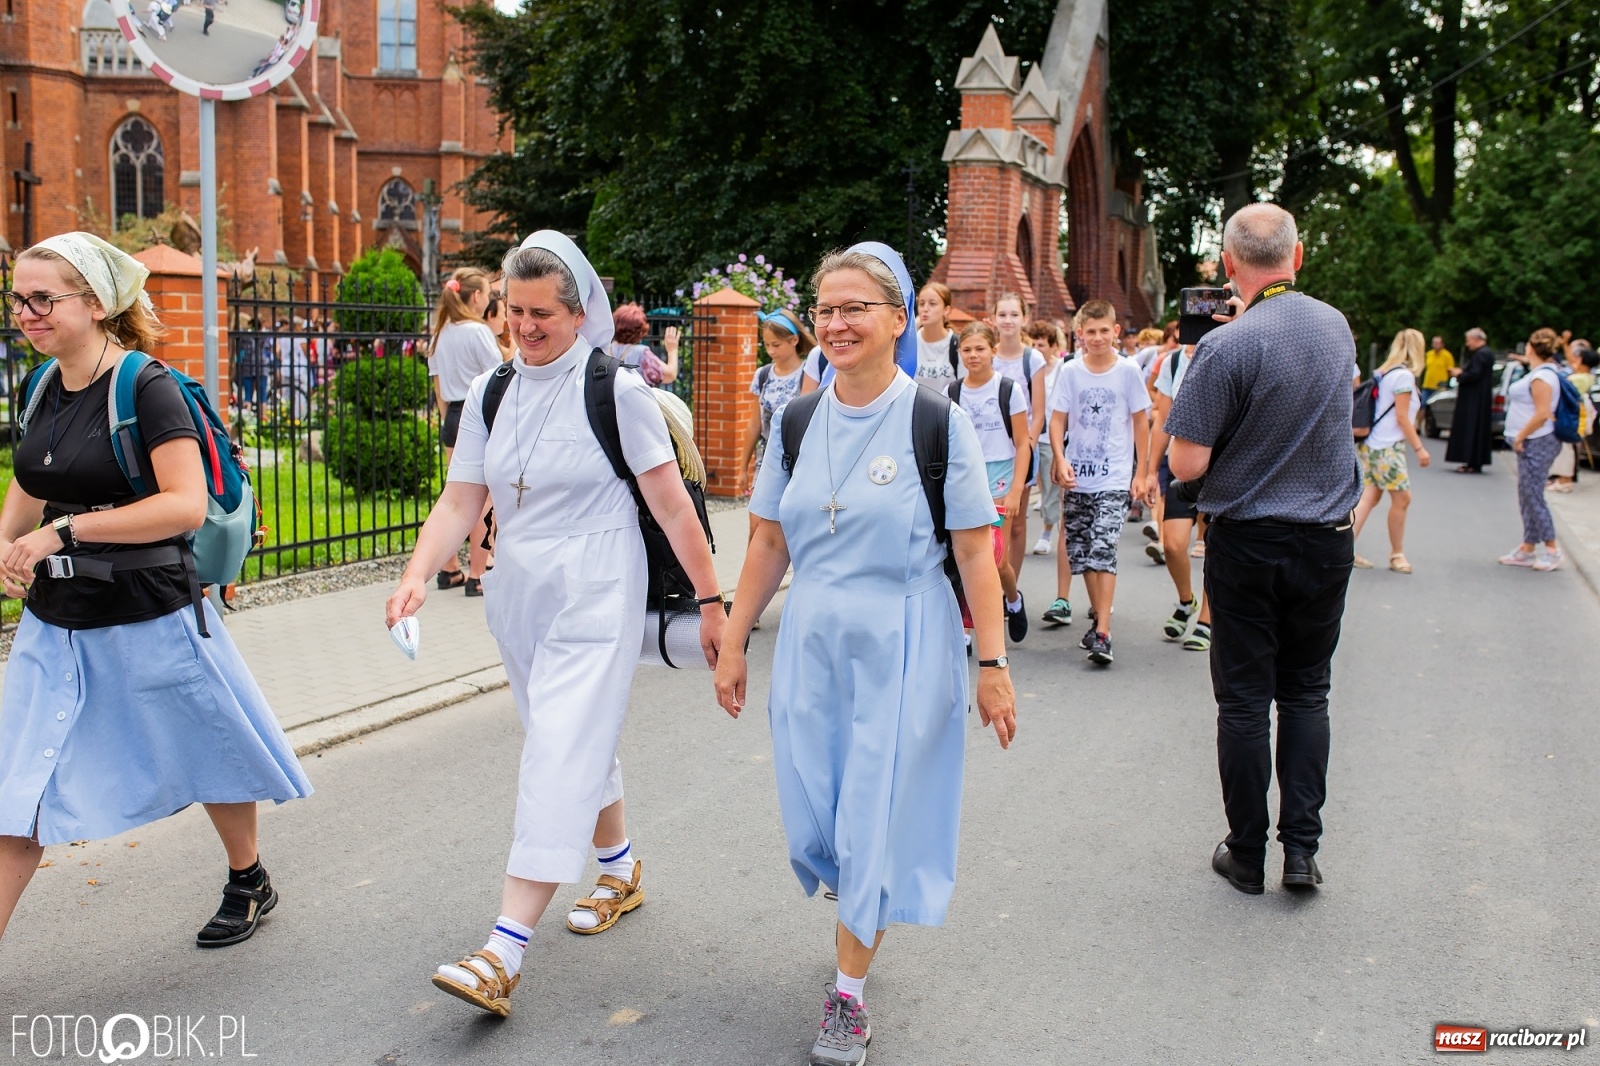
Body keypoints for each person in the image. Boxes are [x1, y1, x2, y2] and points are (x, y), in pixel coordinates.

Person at [386, 231, 725, 1017]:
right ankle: (620, 867)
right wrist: (415, 574)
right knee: (564, 734)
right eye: (515, 310)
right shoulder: (491, 392)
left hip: (599, 590)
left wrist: (712, 604)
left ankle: (502, 950)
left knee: (557, 749)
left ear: (578, 314)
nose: (526, 326)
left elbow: (673, 506)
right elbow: (461, 499)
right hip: (518, 595)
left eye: (543, 313)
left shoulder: (618, 391)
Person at [714, 242, 1015, 1066]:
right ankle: (860, 892)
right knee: (817, 812)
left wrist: (992, 666)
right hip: (812, 640)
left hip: (903, 639)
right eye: (826, 309)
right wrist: (734, 642)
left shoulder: (936, 422)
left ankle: (847, 994)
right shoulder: (797, 419)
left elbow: (976, 552)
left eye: (856, 308)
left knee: (872, 816)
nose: (837, 323)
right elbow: (768, 540)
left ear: (898, 319)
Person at [0, 232, 311, 947]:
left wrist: (62, 533)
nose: (26, 313)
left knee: (210, 746)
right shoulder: (41, 385)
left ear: (96, 304)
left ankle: (248, 876)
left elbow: (185, 506)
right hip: (57, 621)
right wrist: (9, 543)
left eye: (43, 299)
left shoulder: (146, 387)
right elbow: (32, 476)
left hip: (150, 612)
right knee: (19, 789)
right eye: (18, 298)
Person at [1166, 203, 1361, 895]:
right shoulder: (1336, 326)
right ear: (1296, 256)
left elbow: (1186, 462)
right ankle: (1302, 850)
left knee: (1245, 701)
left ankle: (1247, 853)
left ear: (1228, 265)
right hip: (1327, 536)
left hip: (1249, 538)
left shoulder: (1226, 347)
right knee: (1307, 692)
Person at [1045, 299, 1152, 665]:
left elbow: (1141, 422)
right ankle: (1098, 619)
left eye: (1104, 330)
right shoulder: (1071, 371)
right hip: (1078, 477)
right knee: (1082, 555)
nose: (1097, 338)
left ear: (1115, 331)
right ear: (1080, 334)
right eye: (1090, 332)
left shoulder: (1128, 371)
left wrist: (1141, 472)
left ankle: (1103, 632)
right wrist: (1060, 457)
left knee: (1102, 550)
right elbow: (1057, 420)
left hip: (1115, 476)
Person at [952, 321, 1032, 643]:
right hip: (965, 477)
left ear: (993, 351)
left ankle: (1013, 599)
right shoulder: (952, 392)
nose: (973, 355)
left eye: (979, 349)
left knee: (997, 561)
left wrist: (1016, 491)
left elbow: (1023, 443)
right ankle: (966, 630)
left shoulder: (1008, 390)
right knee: (964, 557)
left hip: (1000, 477)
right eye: (966, 350)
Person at [427, 268, 502, 595]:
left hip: (453, 417)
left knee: (453, 494)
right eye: (488, 293)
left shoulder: (440, 333)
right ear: (476, 296)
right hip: (479, 416)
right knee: (483, 499)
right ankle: (477, 574)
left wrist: (449, 421)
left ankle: (448, 569)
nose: (490, 300)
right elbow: (498, 377)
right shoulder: (478, 331)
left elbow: (439, 389)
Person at [1144, 343, 1212, 651]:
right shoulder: (1172, 362)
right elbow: (1162, 419)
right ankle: (1187, 601)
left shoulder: (1228, 349)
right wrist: (1149, 471)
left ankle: (1206, 620)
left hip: (1221, 467)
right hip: (1182, 466)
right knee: (1172, 544)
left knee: (1215, 547)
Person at [1350, 329, 1431, 573]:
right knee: (1402, 499)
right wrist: (1419, 448)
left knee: (1369, 497)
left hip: (1373, 444)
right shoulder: (1404, 377)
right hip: (1388, 447)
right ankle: (1397, 554)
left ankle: (1345, 548)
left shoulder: (1385, 372)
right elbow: (1402, 418)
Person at [738, 308, 814, 540]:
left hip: (797, 457)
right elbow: (754, 424)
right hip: (766, 455)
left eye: (776, 345)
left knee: (787, 525)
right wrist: (743, 468)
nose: (771, 351)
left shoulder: (809, 374)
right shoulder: (763, 375)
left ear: (794, 340)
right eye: (767, 345)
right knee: (757, 522)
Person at [991, 293, 1047, 594]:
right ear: (993, 319)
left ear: (1024, 318)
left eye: (1014, 314)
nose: (1008, 320)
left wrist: (1026, 446)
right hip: (991, 450)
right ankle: (994, 584)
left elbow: (1038, 412)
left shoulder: (1032, 359)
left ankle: (1011, 587)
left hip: (1021, 449)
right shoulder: (988, 355)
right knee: (992, 522)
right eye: (1002, 314)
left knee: (1017, 522)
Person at [1497, 329, 1565, 572]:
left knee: (1533, 494)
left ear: (1531, 348)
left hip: (1537, 440)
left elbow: (1542, 413)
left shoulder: (1542, 377)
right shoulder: (1541, 372)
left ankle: (1552, 549)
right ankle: (1527, 547)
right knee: (1527, 493)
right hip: (1534, 440)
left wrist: (1521, 436)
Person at [1027, 320, 1066, 556]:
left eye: (1041, 345)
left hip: (1050, 437)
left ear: (1053, 346)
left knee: (1051, 487)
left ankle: (1046, 532)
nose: (1036, 349)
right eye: (1033, 344)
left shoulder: (1061, 368)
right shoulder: (1027, 365)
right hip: (1028, 434)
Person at [1445, 328, 1496, 473]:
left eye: (1468, 340)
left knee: (1471, 428)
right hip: (1480, 397)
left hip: (1474, 399)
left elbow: (1474, 374)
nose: (1467, 344)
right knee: (1477, 429)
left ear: (1476, 339)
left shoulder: (1481, 354)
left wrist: (1459, 374)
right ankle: (1474, 461)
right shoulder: (1487, 353)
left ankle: (1471, 461)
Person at [610, 302, 680, 388]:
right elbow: (670, 375)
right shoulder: (642, 353)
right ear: (640, 331)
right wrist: (672, 350)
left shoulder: (603, 349)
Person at [913, 282, 962, 382]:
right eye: (921, 304)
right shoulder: (911, 342)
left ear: (946, 310)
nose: (925, 309)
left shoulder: (957, 345)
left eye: (932, 304)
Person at [1421, 334, 1454, 409]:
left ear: (1442, 344)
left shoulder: (1447, 356)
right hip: (1427, 385)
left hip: (1439, 387)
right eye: (1433, 342)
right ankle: (1421, 417)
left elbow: (1451, 371)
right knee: (1422, 405)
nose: (1435, 344)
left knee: (1435, 407)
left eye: (1437, 343)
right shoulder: (1429, 354)